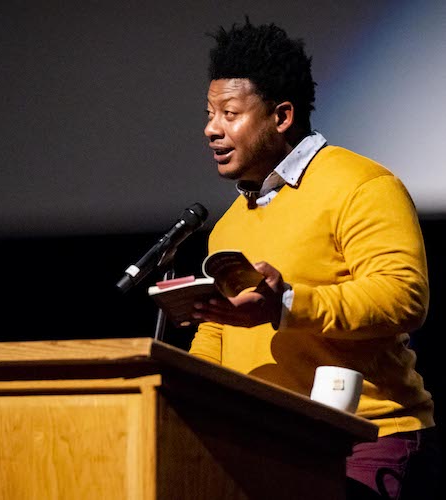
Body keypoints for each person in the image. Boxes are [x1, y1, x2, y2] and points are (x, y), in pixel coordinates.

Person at [189, 18, 441, 499]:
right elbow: (218, 334)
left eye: (229, 113)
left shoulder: (362, 185)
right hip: (266, 448)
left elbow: (403, 296)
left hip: (363, 442)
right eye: (209, 113)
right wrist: (183, 389)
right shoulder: (227, 227)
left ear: (282, 116)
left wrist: (286, 303)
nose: (211, 129)